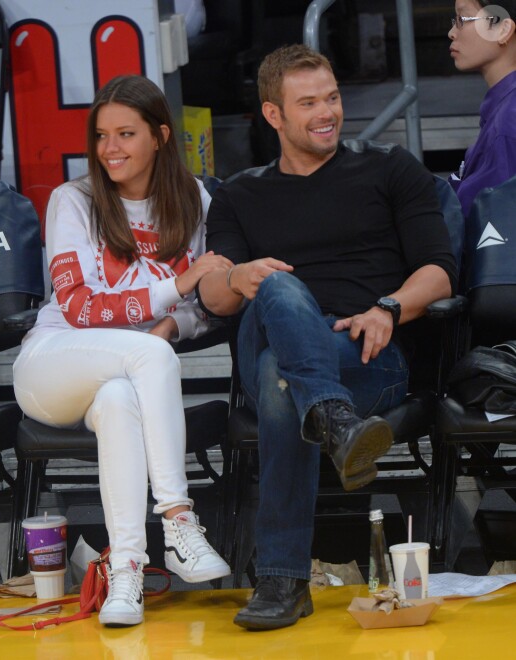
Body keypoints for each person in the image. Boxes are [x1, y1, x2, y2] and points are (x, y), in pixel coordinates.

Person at [198, 44, 457, 631]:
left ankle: (282, 580)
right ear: (273, 116)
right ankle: (337, 422)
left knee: (276, 377)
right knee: (279, 287)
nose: (327, 112)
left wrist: (389, 306)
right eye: (308, 102)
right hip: (281, 332)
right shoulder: (239, 195)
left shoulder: (391, 168)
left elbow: (439, 269)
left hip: (369, 353)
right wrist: (237, 275)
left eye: (332, 97)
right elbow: (214, 296)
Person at [12, 74, 231, 628]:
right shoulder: (73, 200)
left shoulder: (195, 200)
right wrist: (172, 293)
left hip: (121, 374)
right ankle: (179, 519)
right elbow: (80, 308)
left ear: (160, 135)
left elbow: (205, 304)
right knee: (149, 359)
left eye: (126, 134)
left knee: (118, 399)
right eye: (102, 136)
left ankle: (127, 570)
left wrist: (171, 326)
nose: (110, 149)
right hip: (53, 361)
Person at [449, 0, 516, 217]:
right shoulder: (503, 108)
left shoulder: (508, 121)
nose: (452, 32)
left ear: (503, 30)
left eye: (462, 19)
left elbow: (495, 227)